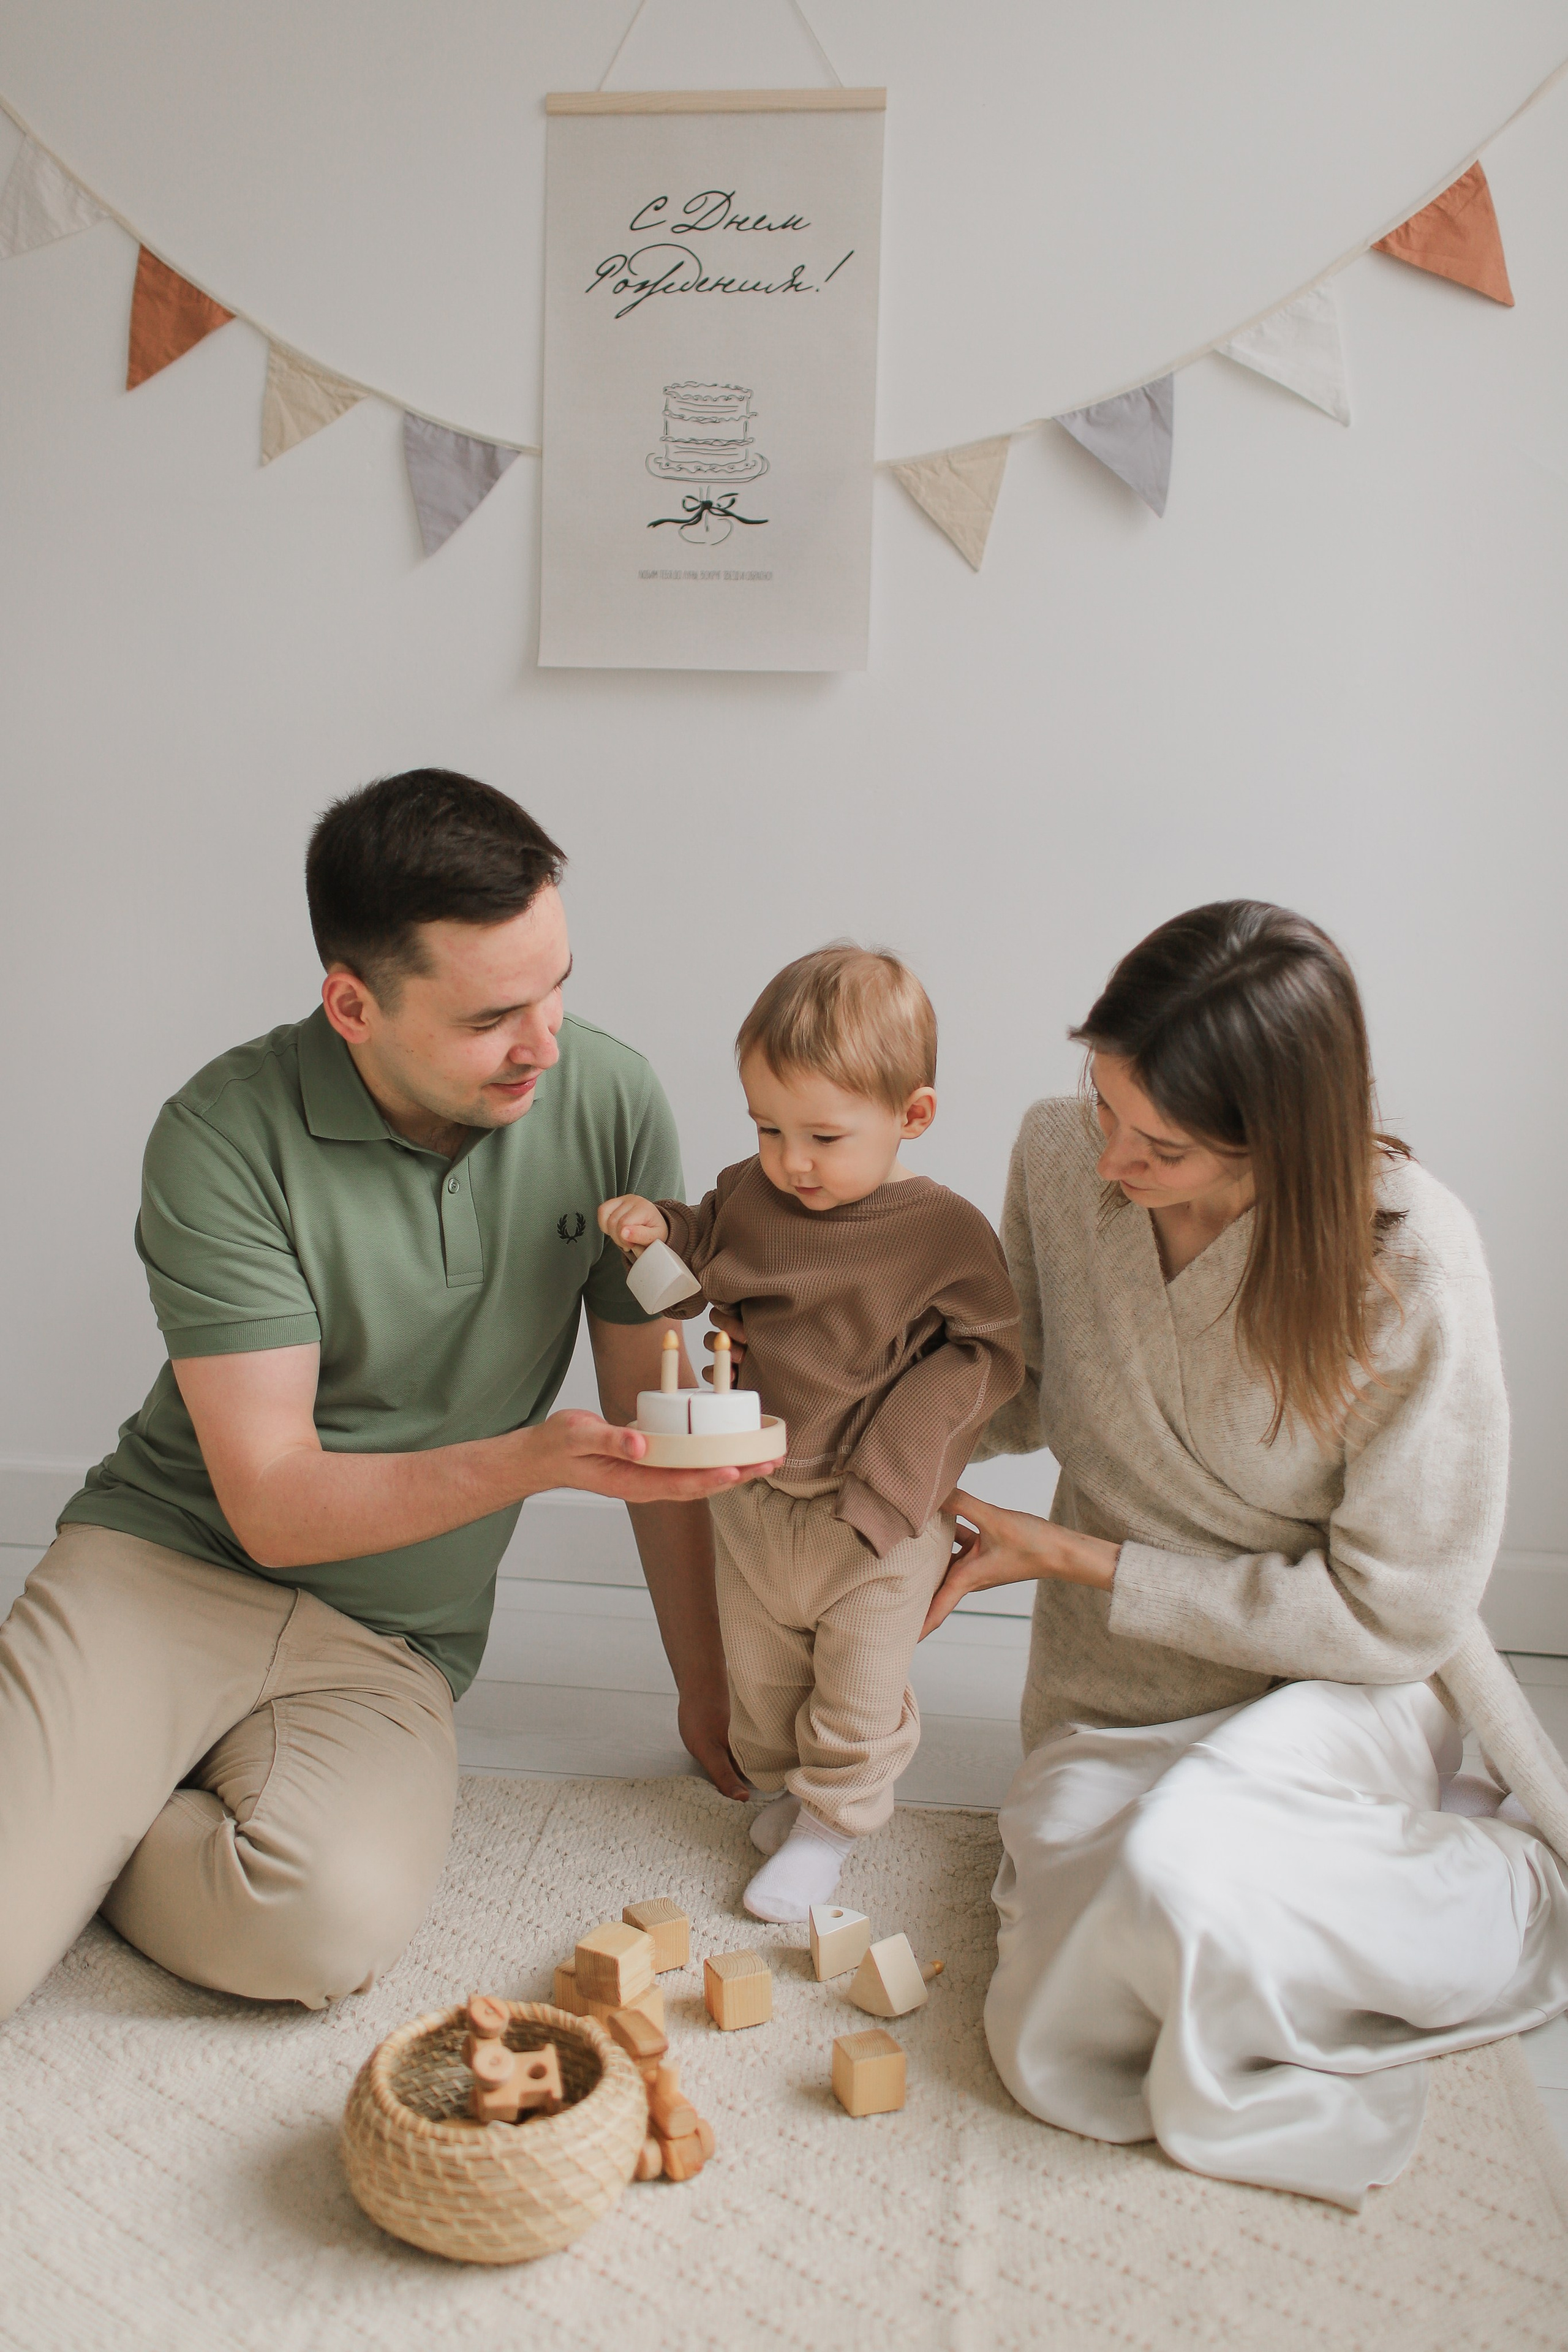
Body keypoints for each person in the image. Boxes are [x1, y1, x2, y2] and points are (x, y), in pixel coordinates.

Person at [0, 769, 763, 2021]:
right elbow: (277, 1512)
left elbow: (648, 1437)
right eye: (492, 1017)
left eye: (556, 985)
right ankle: (65, 1799)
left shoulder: (609, 1101)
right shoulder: (222, 1135)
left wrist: (701, 1680)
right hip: (164, 1572)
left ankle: (87, 1813)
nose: (545, 1042)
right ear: (350, 1004)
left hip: (386, 1646)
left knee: (316, 1933)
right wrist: (529, 1459)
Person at [923, 900, 1568, 2209]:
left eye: (1156, 1147)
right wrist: (845, 1419)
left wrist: (1082, 1561)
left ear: (1277, 1142)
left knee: (1179, 1876)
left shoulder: (1408, 1263)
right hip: (1111, 1692)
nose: (1107, 1160)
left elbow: (1392, 1617)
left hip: (1332, 1688)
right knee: (1060, 2022)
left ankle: (1498, 1885)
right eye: (1099, 1104)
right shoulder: (1059, 1155)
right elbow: (1020, 1382)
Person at [598, 945, 1023, 1922]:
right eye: (767, 1128)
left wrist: (905, 1456)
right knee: (764, 1671)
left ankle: (832, 1827)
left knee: (861, 1682)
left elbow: (994, 1352)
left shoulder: (942, 1233)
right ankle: (793, 1790)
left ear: (911, 1116)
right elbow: (702, 1257)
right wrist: (652, 1228)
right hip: (757, 1493)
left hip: (874, 1511)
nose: (792, 1161)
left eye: (825, 1137)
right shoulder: (754, 1195)